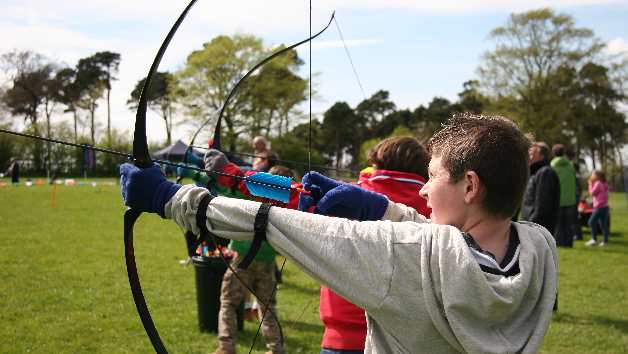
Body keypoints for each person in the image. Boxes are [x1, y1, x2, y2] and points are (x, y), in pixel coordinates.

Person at [121, 113, 558, 353]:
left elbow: (277, 221)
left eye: (434, 176)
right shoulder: (539, 249)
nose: (424, 190)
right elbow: (451, 245)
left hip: (340, 339)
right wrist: (380, 208)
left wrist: (170, 198)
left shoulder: (403, 253)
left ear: (469, 186)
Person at [319, 136, 432, 354]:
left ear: (377, 163)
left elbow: (295, 196)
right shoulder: (434, 207)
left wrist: (236, 176)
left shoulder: (347, 196)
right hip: (407, 339)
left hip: (343, 338)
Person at [520, 142, 560, 236]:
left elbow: (542, 205)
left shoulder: (546, 173)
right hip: (529, 226)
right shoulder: (535, 173)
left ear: (541, 156)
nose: (528, 157)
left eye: (531, 155)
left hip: (537, 230)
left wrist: (531, 226)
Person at [550, 144, 576, 247]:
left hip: (558, 198)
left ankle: (560, 243)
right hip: (570, 198)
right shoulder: (570, 165)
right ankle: (569, 243)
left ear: (553, 153)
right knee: (569, 223)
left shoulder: (552, 165)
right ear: (564, 152)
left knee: (558, 223)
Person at [585, 170, 611, 247]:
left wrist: (590, 185)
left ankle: (594, 239)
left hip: (599, 206)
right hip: (605, 206)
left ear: (597, 176)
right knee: (603, 224)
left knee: (591, 222)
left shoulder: (598, 183)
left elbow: (592, 193)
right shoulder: (605, 184)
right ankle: (605, 241)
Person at [572, 161, 583, 241]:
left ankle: (578, 235)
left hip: (574, 198)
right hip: (576, 197)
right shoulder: (577, 176)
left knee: (574, 218)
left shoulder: (575, 177)